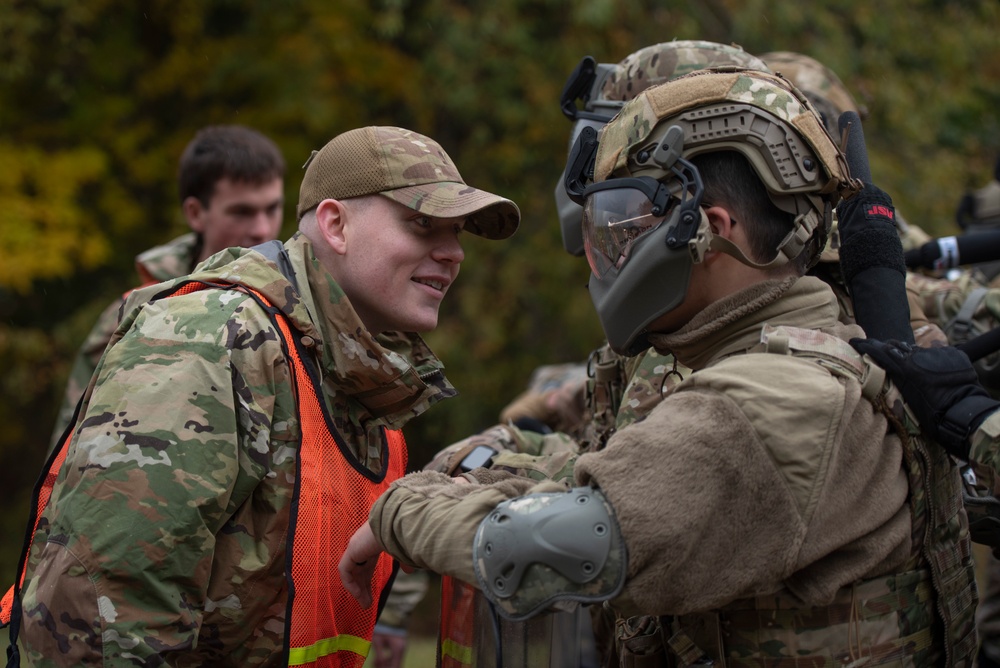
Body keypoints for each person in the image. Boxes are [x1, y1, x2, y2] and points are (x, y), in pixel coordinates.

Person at [341, 68, 982, 665]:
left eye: (623, 224)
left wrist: (402, 509)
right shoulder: (799, 354)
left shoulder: (769, 398)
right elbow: (638, 490)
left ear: (709, 229)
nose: (606, 252)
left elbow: (551, 549)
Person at [1, 125, 519, 666]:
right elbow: (102, 614)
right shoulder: (207, 339)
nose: (454, 252)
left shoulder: (365, 378)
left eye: (457, 232)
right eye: (422, 224)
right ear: (335, 224)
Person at [49, 124, 287, 446]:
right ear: (195, 213)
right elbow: (72, 443)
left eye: (272, 208)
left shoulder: (300, 308)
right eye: (241, 212)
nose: (262, 229)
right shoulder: (134, 316)